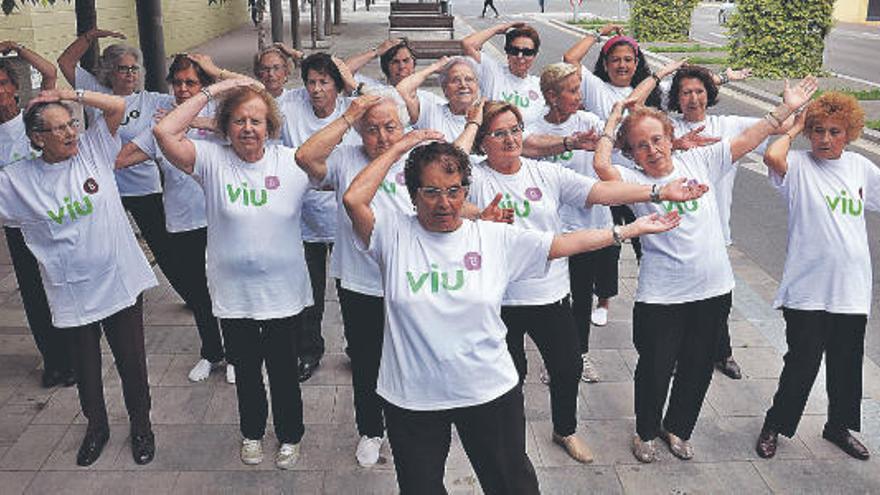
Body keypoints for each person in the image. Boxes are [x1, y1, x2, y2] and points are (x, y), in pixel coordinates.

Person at [343, 133, 681, 494]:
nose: (444, 202)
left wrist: (629, 230)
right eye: (431, 191)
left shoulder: (491, 237)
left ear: (465, 191)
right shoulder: (392, 235)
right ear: (412, 195)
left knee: (510, 484)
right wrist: (398, 148)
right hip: (411, 396)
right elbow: (353, 198)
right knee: (420, 487)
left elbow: (563, 243)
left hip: (488, 389)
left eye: (454, 190)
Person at [461, 100, 709, 463]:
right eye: (498, 133)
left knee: (567, 367)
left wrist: (657, 192)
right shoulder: (474, 177)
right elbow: (445, 194)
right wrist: (479, 214)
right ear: (483, 141)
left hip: (549, 294)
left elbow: (602, 192)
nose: (510, 138)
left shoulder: (543, 173)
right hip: (499, 300)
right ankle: (509, 441)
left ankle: (565, 430)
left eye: (515, 129)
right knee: (510, 375)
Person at [592, 77, 817, 463]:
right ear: (630, 152)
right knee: (655, 368)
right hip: (661, 296)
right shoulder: (633, 181)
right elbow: (600, 164)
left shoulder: (700, 159)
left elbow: (754, 134)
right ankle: (646, 431)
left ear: (670, 137)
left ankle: (677, 428)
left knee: (697, 367)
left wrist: (787, 107)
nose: (651, 150)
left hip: (713, 289)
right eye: (641, 145)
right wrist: (614, 120)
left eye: (657, 139)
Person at [154, 78, 319, 469]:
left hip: (282, 291)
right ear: (224, 126)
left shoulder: (292, 162)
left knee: (282, 371)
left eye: (257, 121)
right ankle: (252, 434)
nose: (248, 129)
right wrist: (219, 89)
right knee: (245, 370)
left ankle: (291, 436)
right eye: (239, 121)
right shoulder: (211, 160)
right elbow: (164, 130)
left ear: (270, 127)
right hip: (232, 293)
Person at [1, 88, 157, 466]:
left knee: (132, 362)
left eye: (71, 123)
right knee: (86, 368)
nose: (71, 133)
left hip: (118, 279)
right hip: (70, 290)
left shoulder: (92, 150)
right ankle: (97, 427)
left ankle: (141, 427)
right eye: (58, 129)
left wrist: (69, 94)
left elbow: (118, 106)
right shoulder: (16, 180)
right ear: (37, 138)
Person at [756, 92, 877, 461]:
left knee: (846, 363)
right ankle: (775, 425)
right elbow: (771, 156)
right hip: (807, 288)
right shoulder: (797, 164)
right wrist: (792, 129)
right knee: (802, 362)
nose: (826, 139)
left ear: (850, 133)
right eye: (819, 130)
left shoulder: (860, 167)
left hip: (851, 288)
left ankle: (838, 426)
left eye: (835, 132)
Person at [662, 64, 788, 381]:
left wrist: (792, 105)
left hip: (716, 230)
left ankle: (722, 352)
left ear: (710, 94)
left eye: (699, 91)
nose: (693, 98)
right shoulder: (666, 129)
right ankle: (677, 353)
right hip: (675, 232)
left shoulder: (727, 125)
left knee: (719, 299)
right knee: (680, 301)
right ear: (677, 97)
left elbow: (778, 127)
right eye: (686, 92)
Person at [115, 54, 233, 384]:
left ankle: (237, 353)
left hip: (221, 216)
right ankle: (212, 352)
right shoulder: (161, 119)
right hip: (181, 219)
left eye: (191, 83)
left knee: (227, 287)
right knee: (197, 291)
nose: (182, 89)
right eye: (177, 83)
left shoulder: (220, 112)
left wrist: (193, 120)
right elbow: (124, 157)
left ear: (204, 86)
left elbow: (251, 101)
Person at [56, 29, 184, 303]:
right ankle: (112, 298)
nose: (129, 74)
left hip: (143, 188)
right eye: (122, 69)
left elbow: (188, 103)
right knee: (102, 246)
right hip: (105, 188)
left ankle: (193, 296)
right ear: (109, 73)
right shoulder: (96, 92)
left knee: (164, 247)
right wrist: (91, 36)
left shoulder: (152, 100)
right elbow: (65, 62)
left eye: (134, 69)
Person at [275, 52, 360, 382]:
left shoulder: (351, 111)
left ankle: (357, 347)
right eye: (311, 81)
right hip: (303, 217)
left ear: (337, 86)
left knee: (350, 289)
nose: (317, 89)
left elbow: (381, 104)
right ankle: (309, 350)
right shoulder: (291, 110)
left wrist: (350, 81)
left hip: (345, 219)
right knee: (308, 291)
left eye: (324, 82)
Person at [526, 62, 611, 383]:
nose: (579, 96)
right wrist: (569, 143)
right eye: (572, 90)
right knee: (555, 298)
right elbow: (525, 152)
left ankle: (581, 354)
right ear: (551, 95)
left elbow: (616, 147)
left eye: (579, 89)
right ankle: (554, 358)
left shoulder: (589, 121)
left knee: (581, 294)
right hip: (550, 231)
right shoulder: (532, 126)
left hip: (588, 227)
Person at [0, 41, 76, 388]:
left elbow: (48, 71)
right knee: (33, 294)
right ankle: (54, 360)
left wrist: (15, 46)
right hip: (18, 226)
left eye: (3, 83)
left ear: (14, 87)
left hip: (51, 218)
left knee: (58, 285)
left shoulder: (33, 116)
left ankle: (75, 356)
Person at [462, 23, 546, 124]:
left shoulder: (539, 85)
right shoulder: (493, 72)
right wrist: (499, 29)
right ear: (507, 52)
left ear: (535, 55)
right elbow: (467, 44)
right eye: (515, 50)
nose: (520, 56)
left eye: (527, 52)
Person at [397, 56, 480, 141]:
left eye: (469, 79)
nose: (463, 85)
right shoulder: (431, 113)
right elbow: (402, 90)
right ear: (445, 89)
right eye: (456, 80)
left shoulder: (487, 117)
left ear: (477, 86)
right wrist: (434, 67)